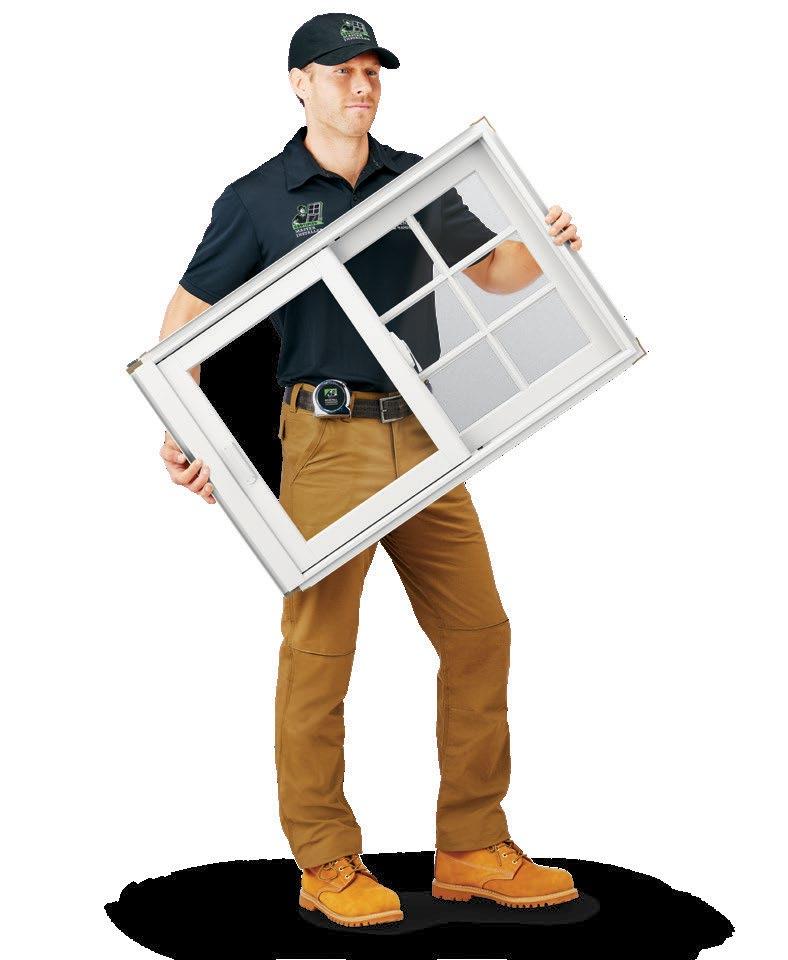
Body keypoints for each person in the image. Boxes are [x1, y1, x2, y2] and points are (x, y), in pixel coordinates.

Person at [158, 12, 583, 928]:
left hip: (425, 435)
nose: (361, 87)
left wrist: (544, 240)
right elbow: (186, 320)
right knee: (320, 651)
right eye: (341, 72)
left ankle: (472, 847)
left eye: (372, 72)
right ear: (299, 83)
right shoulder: (259, 198)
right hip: (324, 439)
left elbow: (496, 272)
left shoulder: (415, 178)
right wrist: (182, 429)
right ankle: (325, 861)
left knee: (480, 632)